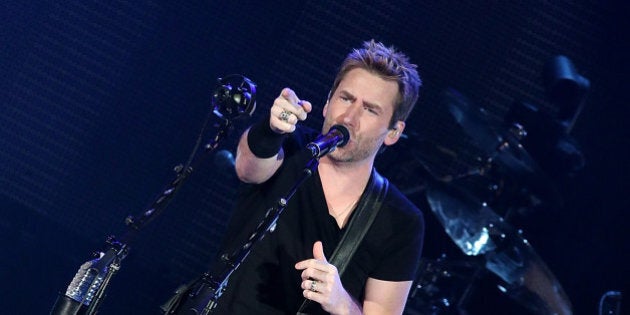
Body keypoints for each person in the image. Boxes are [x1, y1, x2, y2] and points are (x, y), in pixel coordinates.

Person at [212, 40, 424, 315]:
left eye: (370, 110)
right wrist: (271, 130)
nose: (349, 117)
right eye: (346, 99)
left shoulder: (401, 220)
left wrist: (341, 303)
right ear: (327, 103)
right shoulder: (289, 146)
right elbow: (248, 168)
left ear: (394, 132)